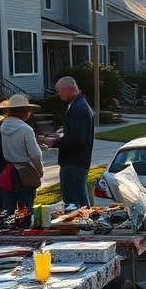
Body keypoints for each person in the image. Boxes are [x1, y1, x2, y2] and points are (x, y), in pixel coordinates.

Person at [47, 76, 95, 208]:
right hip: (76, 161)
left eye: (60, 91)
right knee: (77, 198)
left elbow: (78, 138)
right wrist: (61, 135)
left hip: (74, 162)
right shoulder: (78, 105)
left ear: (69, 89)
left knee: (74, 203)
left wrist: (56, 142)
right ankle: (84, 223)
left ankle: (83, 226)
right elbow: (76, 133)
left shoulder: (78, 108)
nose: (59, 94)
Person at [0, 94, 45, 215]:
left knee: (9, 209)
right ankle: (26, 230)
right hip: (25, 172)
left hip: (9, 171)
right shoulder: (25, 129)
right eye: (29, 110)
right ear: (24, 111)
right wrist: (40, 170)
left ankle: (7, 231)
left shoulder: (2, 127)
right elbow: (35, 154)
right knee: (27, 210)